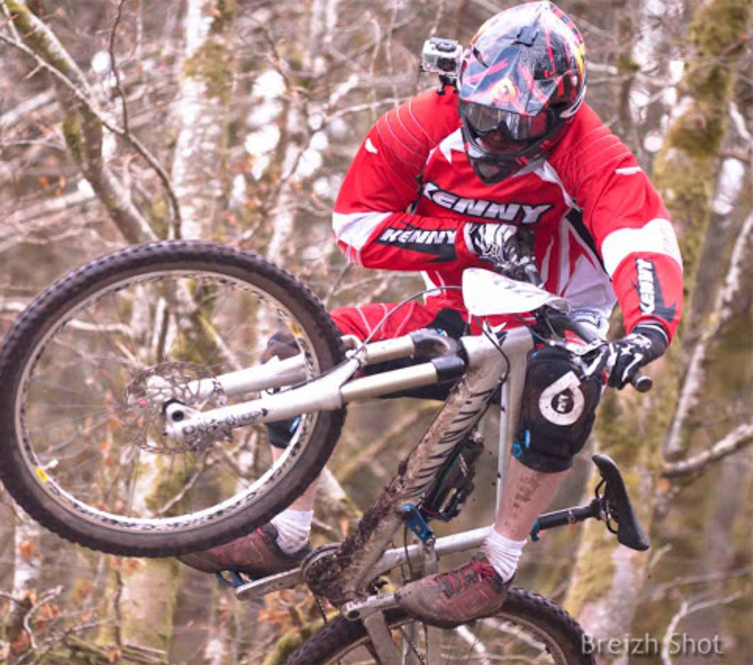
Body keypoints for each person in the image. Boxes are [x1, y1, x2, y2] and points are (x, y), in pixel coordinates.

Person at [180, 1, 682, 625]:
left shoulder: (592, 151)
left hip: (554, 328)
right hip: (457, 311)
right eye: (482, 114)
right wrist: (467, 242)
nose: (494, 137)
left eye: (515, 124)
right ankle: (285, 531)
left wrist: (648, 329)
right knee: (299, 352)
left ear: (560, 111)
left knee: (564, 392)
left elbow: (641, 239)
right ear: (459, 84)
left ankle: (497, 564)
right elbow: (357, 226)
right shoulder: (422, 123)